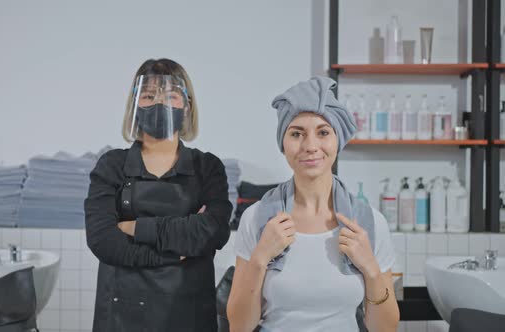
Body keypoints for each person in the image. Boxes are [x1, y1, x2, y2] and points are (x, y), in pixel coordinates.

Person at [226, 76, 400, 332]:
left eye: (323, 132)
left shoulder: (368, 223)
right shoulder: (258, 219)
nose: (310, 146)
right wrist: (260, 257)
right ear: (283, 145)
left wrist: (371, 270)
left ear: (337, 140)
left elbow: (385, 329)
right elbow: (239, 327)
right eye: (297, 133)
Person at [84, 58, 233, 332]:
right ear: (135, 106)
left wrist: (136, 227)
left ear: (187, 106)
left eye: (171, 96)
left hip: (189, 313)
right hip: (121, 315)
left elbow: (214, 232)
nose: (159, 104)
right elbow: (103, 241)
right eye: (149, 96)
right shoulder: (111, 166)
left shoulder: (208, 168)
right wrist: (174, 253)